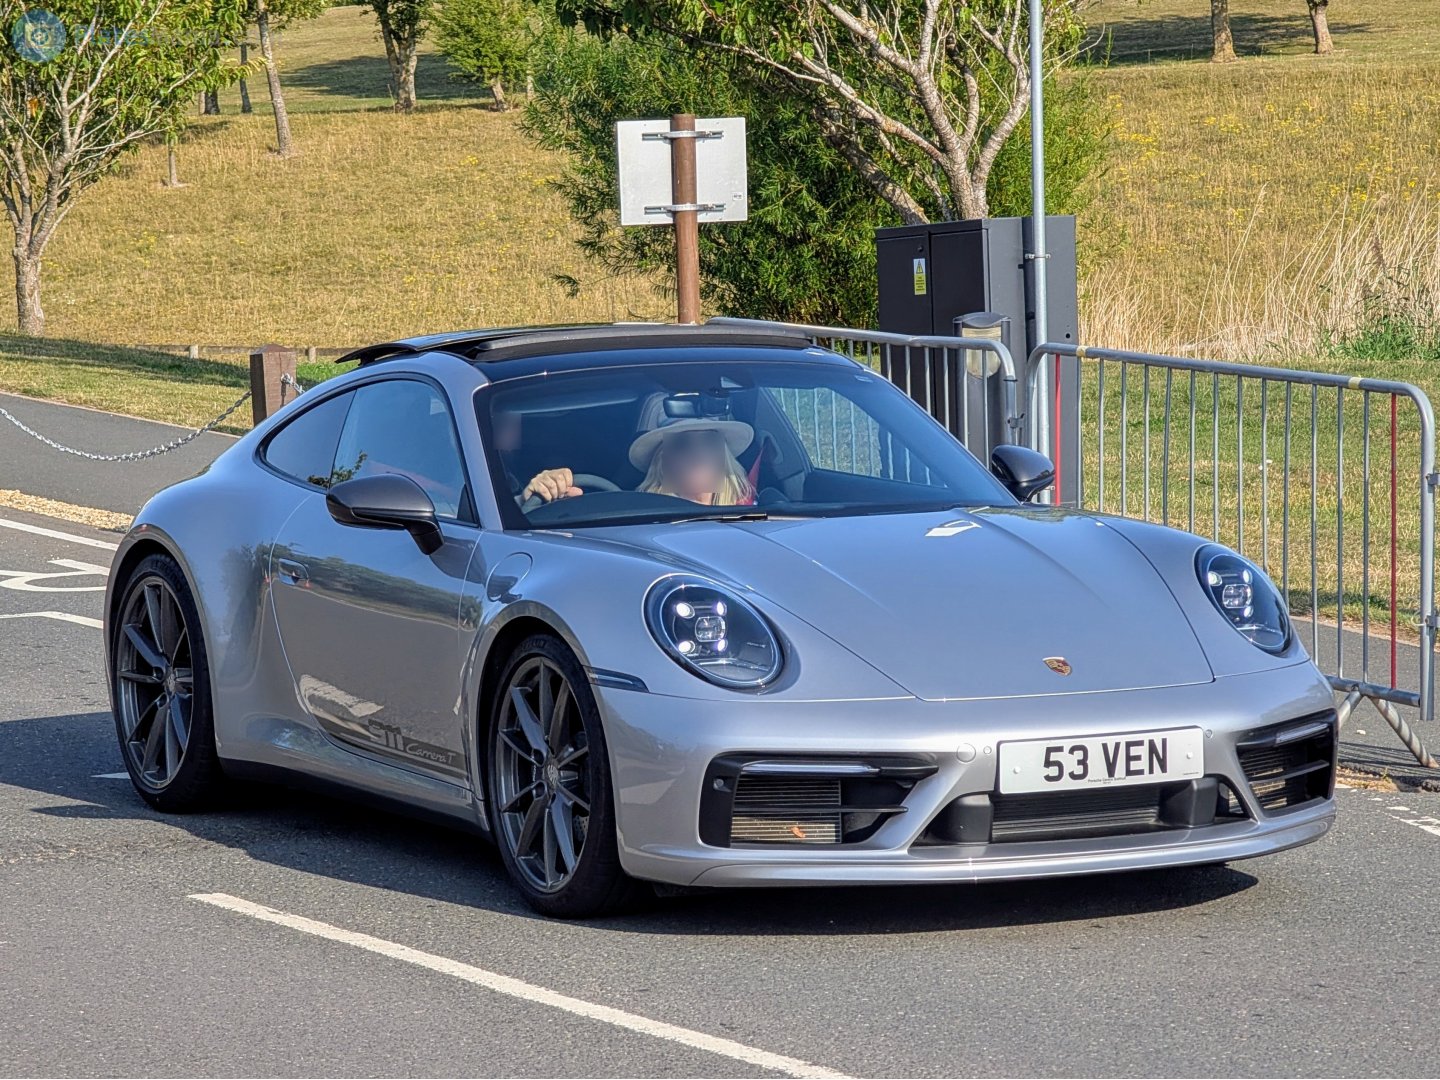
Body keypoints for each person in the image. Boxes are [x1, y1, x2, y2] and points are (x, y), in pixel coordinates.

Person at [522, 414, 755, 506]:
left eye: (710, 441)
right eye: (682, 443)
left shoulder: (755, 515)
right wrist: (546, 488)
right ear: (662, 461)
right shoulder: (634, 516)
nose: (699, 453)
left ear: (723, 455)